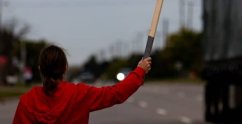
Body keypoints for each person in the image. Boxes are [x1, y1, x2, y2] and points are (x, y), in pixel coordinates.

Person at [13, 45, 152, 124]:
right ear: (65, 68)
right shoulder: (78, 94)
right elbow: (116, 93)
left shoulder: (27, 101)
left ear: (40, 69)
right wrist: (140, 71)